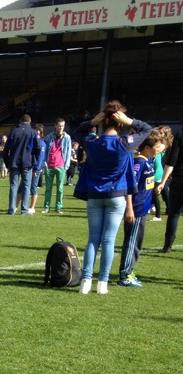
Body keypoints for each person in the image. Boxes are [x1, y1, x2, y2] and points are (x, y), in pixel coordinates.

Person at [73, 101, 152, 294]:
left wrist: (91, 121)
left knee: (93, 239)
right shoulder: (124, 143)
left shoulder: (92, 143)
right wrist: (129, 120)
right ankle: (103, 283)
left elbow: (77, 133)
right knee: (108, 241)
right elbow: (147, 129)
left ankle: (86, 282)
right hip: (117, 196)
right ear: (119, 124)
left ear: (102, 123)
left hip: (94, 195)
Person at [118, 127, 171, 287]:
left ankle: (130, 270)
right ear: (147, 147)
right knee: (132, 242)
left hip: (143, 209)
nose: (159, 151)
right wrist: (130, 208)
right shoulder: (139, 162)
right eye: (157, 147)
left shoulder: (148, 160)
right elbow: (130, 186)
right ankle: (124, 275)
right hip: (136, 209)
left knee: (138, 242)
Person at [2, 115, 41, 215]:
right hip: (27, 162)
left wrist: (7, 163)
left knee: (13, 186)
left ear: (20, 121)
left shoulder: (13, 131)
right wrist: (35, 161)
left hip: (14, 162)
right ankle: (24, 209)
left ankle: (11, 209)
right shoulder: (33, 132)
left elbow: (6, 149)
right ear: (30, 121)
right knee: (26, 186)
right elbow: (38, 148)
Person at [159, 128, 183, 254]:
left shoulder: (181, 133)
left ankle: (167, 245)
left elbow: (172, 160)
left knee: (174, 214)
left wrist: (163, 182)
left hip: (179, 179)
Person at [42, 119, 71, 214]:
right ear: (55, 125)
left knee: (60, 188)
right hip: (49, 166)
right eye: (59, 126)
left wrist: (66, 165)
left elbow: (68, 152)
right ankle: (46, 207)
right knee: (48, 189)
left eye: (62, 126)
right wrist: (44, 163)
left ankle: (58, 207)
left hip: (61, 166)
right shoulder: (49, 137)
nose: (61, 128)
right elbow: (45, 151)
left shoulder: (67, 137)